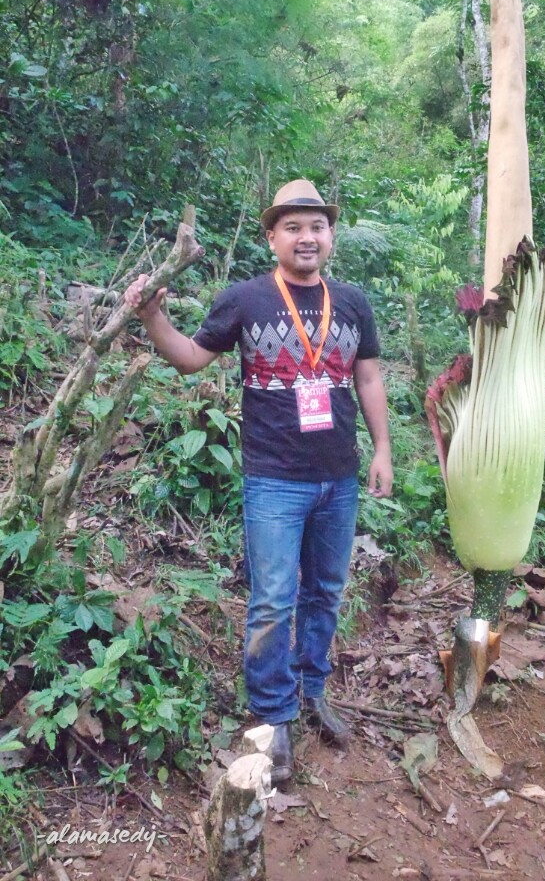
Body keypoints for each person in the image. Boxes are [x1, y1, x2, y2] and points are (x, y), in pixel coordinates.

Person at [124, 179, 393, 784]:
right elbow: (190, 359)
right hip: (274, 479)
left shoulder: (352, 302)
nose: (307, 237)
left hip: (339, 478)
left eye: (317, 226)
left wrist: (383, 450)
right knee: (273, 598)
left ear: (330, 236)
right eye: (293, 227)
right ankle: (274, 715)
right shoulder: (245, 299)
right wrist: (152, 316)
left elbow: (369, 379)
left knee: (326, 590)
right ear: (272, 237)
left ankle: (312, 689)